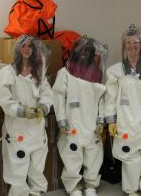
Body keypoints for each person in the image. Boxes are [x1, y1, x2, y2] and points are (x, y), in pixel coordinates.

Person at [105, 24, 141, 196]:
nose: (132, 46)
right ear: (124, 46)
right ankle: (131, 190)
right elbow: (110, 96)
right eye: (128, 43)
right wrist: (111, 120)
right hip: (126, 121)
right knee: (130, 158)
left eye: (135, 43)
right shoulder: (116, 70)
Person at [0, 35, 53, 196]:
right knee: (17, 166)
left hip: (37, 129)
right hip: (17, 128)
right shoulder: (8, 72)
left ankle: (37, 192)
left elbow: (47, 93)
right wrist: (19, 110)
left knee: (37, 166)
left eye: (30, 46)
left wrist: (43, 108)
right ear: (17, 48)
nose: (27, 49)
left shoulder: (38, 72)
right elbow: (0, 95)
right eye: (23, 46)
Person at [52, 36, 108, 196]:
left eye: (87, 50)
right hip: (73, 121)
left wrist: (101, 119)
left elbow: (102, 98)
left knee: (94, 153)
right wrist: (61, 120)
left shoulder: (97, 73)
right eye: (81, 49)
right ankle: (74, 186)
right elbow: (58, 97)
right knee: (72, 153)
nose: (84, 53)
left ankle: (90, 185)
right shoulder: (64, 73)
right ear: (75, 51)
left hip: (91, 122)